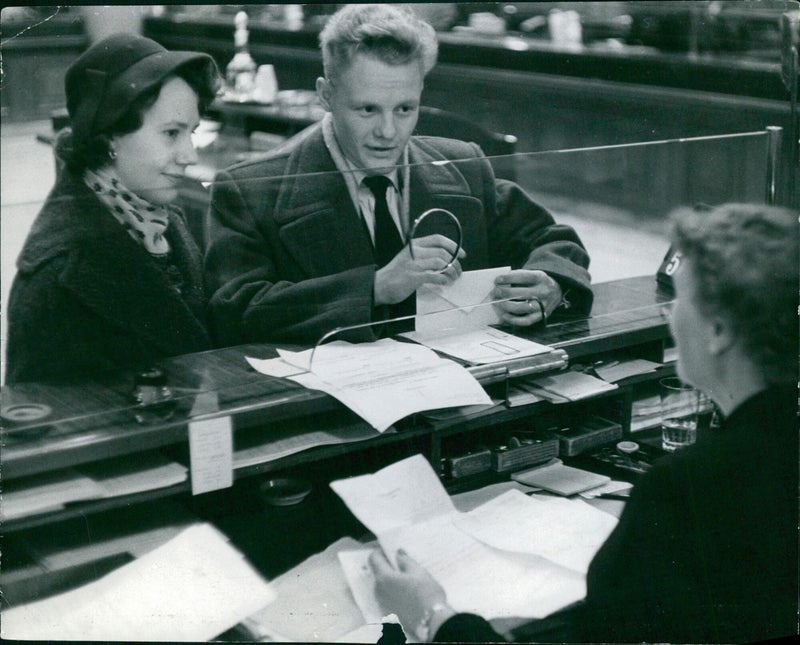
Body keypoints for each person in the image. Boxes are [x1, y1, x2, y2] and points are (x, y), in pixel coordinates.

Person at [369, 202, 799, 644]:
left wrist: (432, 616)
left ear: (719, 332)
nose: (668, 315)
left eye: (680, 301)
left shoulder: (683, 487)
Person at [204, 4, 592, 347]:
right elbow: (233, 314)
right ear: (325, 95)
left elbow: (552, 240)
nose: (388, 132)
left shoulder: (462, 166)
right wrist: (374, 287)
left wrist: (553, 283)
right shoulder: (250, 190)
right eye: (367, 110)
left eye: (405, 109)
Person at [5, 34, 221, 384]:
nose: (190, 156)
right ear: (109, 138)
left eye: (192, 133)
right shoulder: (57, 275)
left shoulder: (165, 224)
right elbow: (43, 427)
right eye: (171, 133)